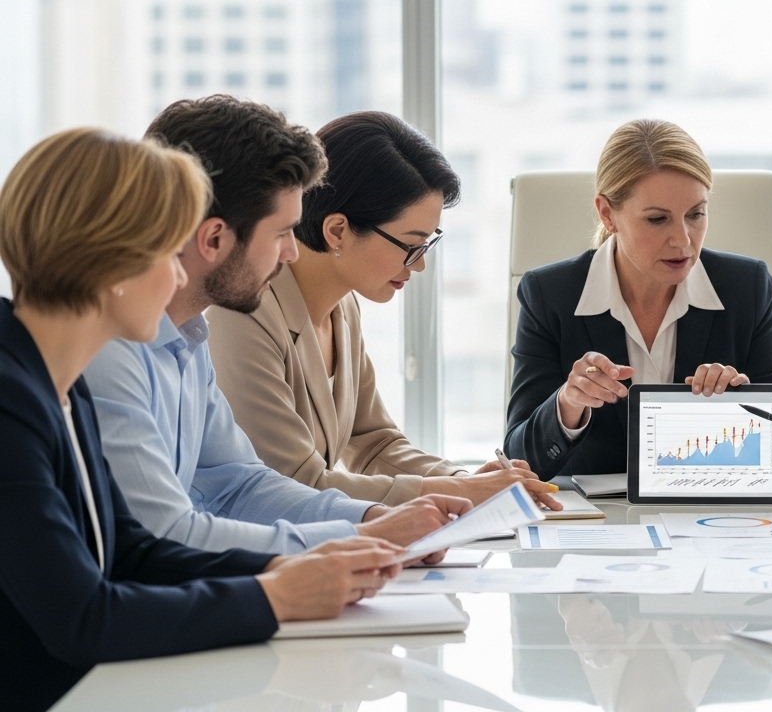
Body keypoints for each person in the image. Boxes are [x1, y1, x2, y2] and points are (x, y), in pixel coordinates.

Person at [0, 129, 443, 711]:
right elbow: (84, 616)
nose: (180, 277)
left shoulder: (54, 383)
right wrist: (274, 596)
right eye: (167, 252)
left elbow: (131, 549)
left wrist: (304, 563)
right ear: (113, 262)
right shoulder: (12, 397)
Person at [84, 96, 474, 553]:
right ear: (213, 238)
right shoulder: (111, 350)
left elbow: (241, 486)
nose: (292, 253)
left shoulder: (188, 340)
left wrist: (374, 521)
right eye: (282, 233)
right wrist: (359, 537)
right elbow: (164, 533)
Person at [206, 111, 559, 508]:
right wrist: (458, 493)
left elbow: (372, 443)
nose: (420, 263)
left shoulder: (343, 306)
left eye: (428, 243)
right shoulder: (242, 314)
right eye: (411, 243)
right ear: (337, 230)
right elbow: (295, 483)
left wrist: (464, 478)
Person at [504, 119, 772, 478]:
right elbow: (519, 461)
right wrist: (568, 403)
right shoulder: (550, 295)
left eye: (696, 215)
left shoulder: (746, 288)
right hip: (597, 526)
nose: (683, 241)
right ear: (607, 213)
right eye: (657, 219)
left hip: (708, 522)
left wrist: (743, 408)